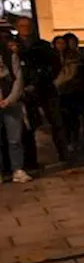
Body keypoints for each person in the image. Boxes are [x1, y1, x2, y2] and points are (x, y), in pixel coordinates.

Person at [14, 17, 66, 169]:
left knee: (56, 122)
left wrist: (43, 80)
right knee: (28, 127)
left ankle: (62, 154)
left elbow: (55, 65)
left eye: (28, 26)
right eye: (22, 26)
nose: (25, 28)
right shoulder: (13, 46)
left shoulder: (42, 45)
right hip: (24, 91)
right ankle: (31, 160)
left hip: (45, 88)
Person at [1, 37, 30, 183]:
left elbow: (18, 79)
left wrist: (9, 99)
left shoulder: (10, 57)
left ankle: (17, 169)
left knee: (15, 139)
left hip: (11, 102)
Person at [53, 34, 84, 150]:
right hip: (58, 93)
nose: (61, 45)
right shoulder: (51, 57)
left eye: (63, 43)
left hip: (72, 91)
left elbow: (71, 73)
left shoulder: (73, 57)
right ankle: (66, 141)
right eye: (58, 43)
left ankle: (74, 140)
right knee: (62, 119)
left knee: (73, 118)